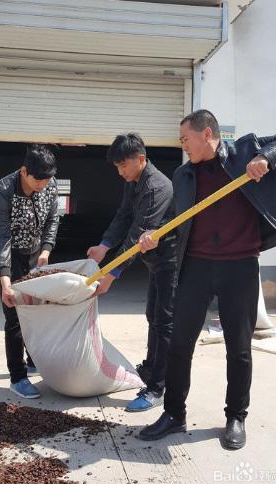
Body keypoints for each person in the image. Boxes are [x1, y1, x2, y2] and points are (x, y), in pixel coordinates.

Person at [138, 110, 276, 448]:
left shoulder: (244, 152)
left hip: (239, 267)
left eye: (185, 139)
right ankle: (174, 414)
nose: (182, 147)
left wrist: (265, 158)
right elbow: (172, 221)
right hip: (195, 267)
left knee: (238, 349)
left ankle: (235, 417)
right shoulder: (183, 176)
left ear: (206, 133)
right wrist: (153, 235)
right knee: (179, 345)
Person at [87, 133, 178, 411]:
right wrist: (104, 245)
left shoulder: (156, 187)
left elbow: (137, 235)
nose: (120, 172)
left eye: (123, 165)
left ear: (141, 159)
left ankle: (157, 388)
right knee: (152, 316)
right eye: (117, 167)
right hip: (154, 262)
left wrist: (111, 274)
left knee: (163, 322)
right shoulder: (134, 181)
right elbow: (123, 216)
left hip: (170, 262)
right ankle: (150, 368)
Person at [0, 144, 60, 399]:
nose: (43, 184)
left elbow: (53, 218)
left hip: (36, 256)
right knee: (15, 317)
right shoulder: (4, 190)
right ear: (23, 171)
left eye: (48, 179)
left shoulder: (50, 185)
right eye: (38, 179)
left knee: (38, 310)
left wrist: (46, 250)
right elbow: (1, 236)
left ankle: (34, 360)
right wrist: (5, 281)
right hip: (11, 257)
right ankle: (17, 377)